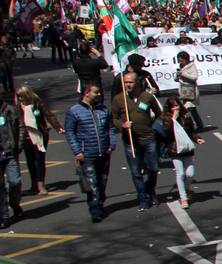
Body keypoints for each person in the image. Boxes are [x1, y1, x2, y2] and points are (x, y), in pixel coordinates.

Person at [109, 69, 163, 211]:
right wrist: (122, 125)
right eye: (125, 82)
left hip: (148, 139)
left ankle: (150, 189)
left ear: (137, 83)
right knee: (136, 172)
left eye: (130, 82)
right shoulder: (119, 99)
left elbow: (159, 113)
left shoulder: (147, 97)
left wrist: (153, 126)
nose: (127, 85)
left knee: (153, 169)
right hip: (130, 141)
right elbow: (113, 118)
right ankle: (143, 198)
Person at [64, 82, 115, 221]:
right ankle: (95, 211)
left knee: (102, 182)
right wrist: (77, 151)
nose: (99, 95)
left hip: (104, 152)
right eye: (96, 92)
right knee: (92, 184)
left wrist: (111, 145)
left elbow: (110, 128)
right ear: (86, 93)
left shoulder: (103, 109)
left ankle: (99, 201)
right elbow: (69, 132)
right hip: (87, 154)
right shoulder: (74, 110)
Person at [15, 86, 62, 195]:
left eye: (22, 96)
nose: (21, 99)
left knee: (39, 160)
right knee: (30, 161)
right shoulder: (17, 107)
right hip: (26, 137)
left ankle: (41, 185)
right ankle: (34, 185)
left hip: (40, 135)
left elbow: (48, 115)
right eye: (19, 97)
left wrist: (58, 127)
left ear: (28, 94)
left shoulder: (37, 103)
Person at [160, 97, 204, 208]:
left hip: (186, 149)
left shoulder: (186, 116)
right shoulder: (166, 118)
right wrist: (173, 120)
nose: (176, 108)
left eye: (177, 105)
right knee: (180, 173)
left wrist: (196, 138)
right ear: (169, 108)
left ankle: (186, 188)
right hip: (175, 149)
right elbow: (167, 133)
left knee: (190, 174)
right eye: (173, 106)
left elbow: (191, 131)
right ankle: (183, 198)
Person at [0, 97, 22, 226]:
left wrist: (19, 144)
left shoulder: (10, 110)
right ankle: (4, 216)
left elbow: (20, 127)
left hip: (10, 152)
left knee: (15, 181)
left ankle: (15, 204)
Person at [175, 50, 204, 129]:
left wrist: (183, 74)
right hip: (183, 90)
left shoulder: (192, 66)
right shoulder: (180, 66)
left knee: (187, 108)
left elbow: (194, 77)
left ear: (186, 59)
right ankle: (200, 125)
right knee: (192, 109)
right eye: (179, 60)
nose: (180, 62)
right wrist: (177, 76)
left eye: (182, 60)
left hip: (190, 90)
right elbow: (177, 79)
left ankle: (184, 126)